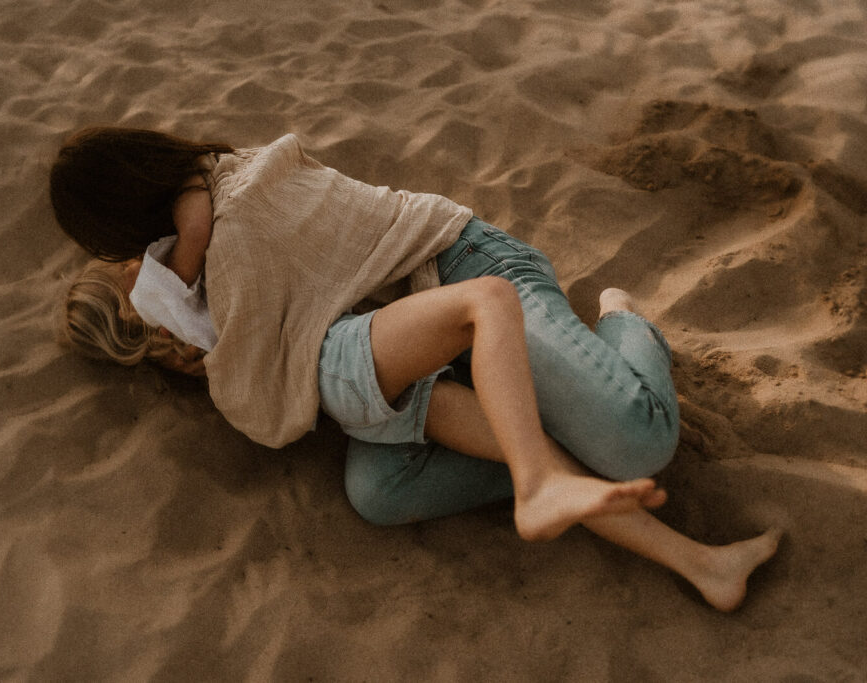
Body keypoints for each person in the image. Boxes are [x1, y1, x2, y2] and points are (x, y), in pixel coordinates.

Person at [52, 128, 781, 610]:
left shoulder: (243, 208)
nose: (147, 286)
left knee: (639, 439)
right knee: (379, 489)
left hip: (462, 266)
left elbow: (264, 391)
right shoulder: (206, 269)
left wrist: (200, 320)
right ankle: (631, 515)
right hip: (407, 346)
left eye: (129, 268)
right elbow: (272, 348)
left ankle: (621, 319)